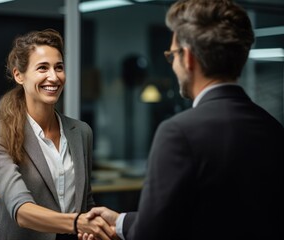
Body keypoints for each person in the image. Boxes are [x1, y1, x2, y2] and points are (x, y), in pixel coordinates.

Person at [81, 0, 284, 239]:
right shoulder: (274, 129)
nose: (173, 65)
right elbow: (215, 217)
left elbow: (152, 234)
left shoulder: (178, 132)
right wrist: (121, 222)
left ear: (187, 58)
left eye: (172, 55)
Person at [0, 29, 115, 240]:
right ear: (19, 75)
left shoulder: (81, 132)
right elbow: (21, 210)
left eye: (59, 67)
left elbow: (85, 202)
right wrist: (76, 223)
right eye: (42, 68)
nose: (54, 77)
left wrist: (89, 227)